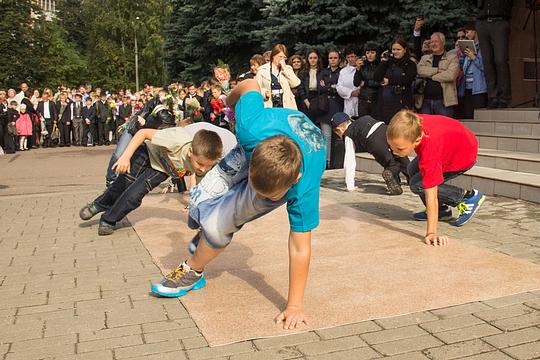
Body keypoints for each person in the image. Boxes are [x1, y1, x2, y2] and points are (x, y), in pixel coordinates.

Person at [151, 79, 326, 331]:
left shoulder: (305, 185)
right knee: (199, 202)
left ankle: (193, 271)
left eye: (270, 195)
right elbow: (251, 84)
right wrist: (230, 102)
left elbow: (300, 247)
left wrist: (295, 306)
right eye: (253, 185)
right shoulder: (249, 130)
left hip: (295, 160)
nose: (257, 193)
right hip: (258, 143)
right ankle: (207, 231)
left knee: (220, 221)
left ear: (294, 181)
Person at [79, 127, 225, 236]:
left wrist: (198, 213)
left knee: (134, 196)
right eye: (200, 164)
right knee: (124, 183)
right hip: (147, 153)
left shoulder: (203, 165)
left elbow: (200, 190)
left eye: (208, 166)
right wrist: (125, 157)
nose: (203, 169)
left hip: (162, 169)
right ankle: (99, 204)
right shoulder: (177, 141)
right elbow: (143, 133)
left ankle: (109, 219)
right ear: (190, 152)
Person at [386, 110, 486, 246]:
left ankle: (467, 197)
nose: (394, 152)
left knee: (418, 184)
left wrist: (431, 233)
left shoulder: (429, 151)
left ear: (416, 140)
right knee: (411, 169)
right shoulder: (411, 123)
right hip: (454, 142)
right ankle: (442, 211)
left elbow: (431, 194)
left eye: (400, 149)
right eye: (391, 147)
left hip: (462, 155)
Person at [331, 112, 409, 195]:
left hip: (374, 141)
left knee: (390, 163)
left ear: (339, 129)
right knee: (401, 155)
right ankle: (413, 179)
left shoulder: (348, 134)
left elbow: (349, 160)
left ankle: (393, 179)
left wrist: (350, 185)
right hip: (386, 129)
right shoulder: (361, 119)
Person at [476, 0, 512, 108]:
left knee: (500, 60)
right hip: (482, 22)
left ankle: (504, 97)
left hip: (499, 21)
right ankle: (493, 97)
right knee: (487, 61)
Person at [373, 38, 417, 124]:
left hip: (402, 102)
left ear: (405, 50)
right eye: (393, 49)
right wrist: (383, 62)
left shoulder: (410, 64)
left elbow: (408, 79)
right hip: (386, 103)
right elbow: (376, 77)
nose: (395, 52)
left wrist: (389, 81)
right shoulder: (387, 62)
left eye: (398, 49)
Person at [417, 32, 459, 117]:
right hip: (425, 101)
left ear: (443, 43)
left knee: (445, 129)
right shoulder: (425, 58)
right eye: (431, 42)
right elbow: (420, 70)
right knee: (426, 129)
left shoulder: (452, 57)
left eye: (436, 41)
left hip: (444, 102)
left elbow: (451, 76)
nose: (433, 44)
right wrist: (437, 70)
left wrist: (431, 76)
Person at [255, 44, 301, 109]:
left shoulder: (288, 69)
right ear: (273, 56)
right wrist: (265, 93)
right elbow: (256, 89)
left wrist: (285, 69)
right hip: (269, 105)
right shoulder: (262, 70)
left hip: (286, 106)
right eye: (280, 57)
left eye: (284, 57)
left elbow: (295, 83)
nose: (282, 59)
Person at [320, 49, 344, 169]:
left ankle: (339, 164)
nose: (333, 60)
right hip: (326, 108)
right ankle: (326, 163)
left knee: (339, 137)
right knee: (326, 136)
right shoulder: (323, 72)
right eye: (331, 58)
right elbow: (321, 88)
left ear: (339, 59)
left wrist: (328, 86)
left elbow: (342, 87)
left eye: (335, 58)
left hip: (339, 107)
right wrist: (333, 87)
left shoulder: (343, 72)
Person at [458, 23, 488, 118]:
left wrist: (473, 57)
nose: (466, 35)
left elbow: (485, 67)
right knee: (468, 115)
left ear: (475, 31)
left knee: (478, 115)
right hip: (466, 86)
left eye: (468, 32)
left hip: (478, 87)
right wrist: (463, 56)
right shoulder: (469, 45)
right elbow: (462, 67)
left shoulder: (483, 47)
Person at [353, 42, 380, 117]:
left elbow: (380, 82)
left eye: (372, 52)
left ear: (376, 53)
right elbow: (356, 83)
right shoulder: (363, 66)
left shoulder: (380, 65)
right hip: (363, 100)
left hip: (376, 99)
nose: (370, 55)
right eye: (368, 53)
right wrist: (358, 69)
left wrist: (365, 83)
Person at [336, 45, 361, 118]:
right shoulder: (343, 72)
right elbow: (339, 87)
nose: (351, 59)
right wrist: (351, 92)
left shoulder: (363, 69)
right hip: (349, 103)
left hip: (362, 102)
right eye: (348, 57)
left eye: (353, 56)